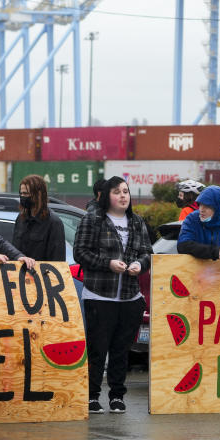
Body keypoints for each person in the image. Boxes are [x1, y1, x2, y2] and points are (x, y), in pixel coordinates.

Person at [73, 176, 152, 414]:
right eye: (117, 192)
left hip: (129, 297)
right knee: (98, 349)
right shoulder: (93, 220)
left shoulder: (137, 222)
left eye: (126, 192)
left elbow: (148, 252)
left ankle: (117, 396)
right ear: (107, 195)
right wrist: (107, 264)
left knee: (121, 350)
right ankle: (91, 396)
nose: (123, 196)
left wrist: (140, 264)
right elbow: (80, 253)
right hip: (99, 295)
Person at [13, 175, 65, 261]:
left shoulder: (53, 222)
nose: (22, 197)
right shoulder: (21, 218)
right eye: (21, 193)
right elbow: (14, 251)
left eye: (26, 193)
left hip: (41, 273)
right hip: (20, 273)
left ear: (38, 194)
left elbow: (57, 259)